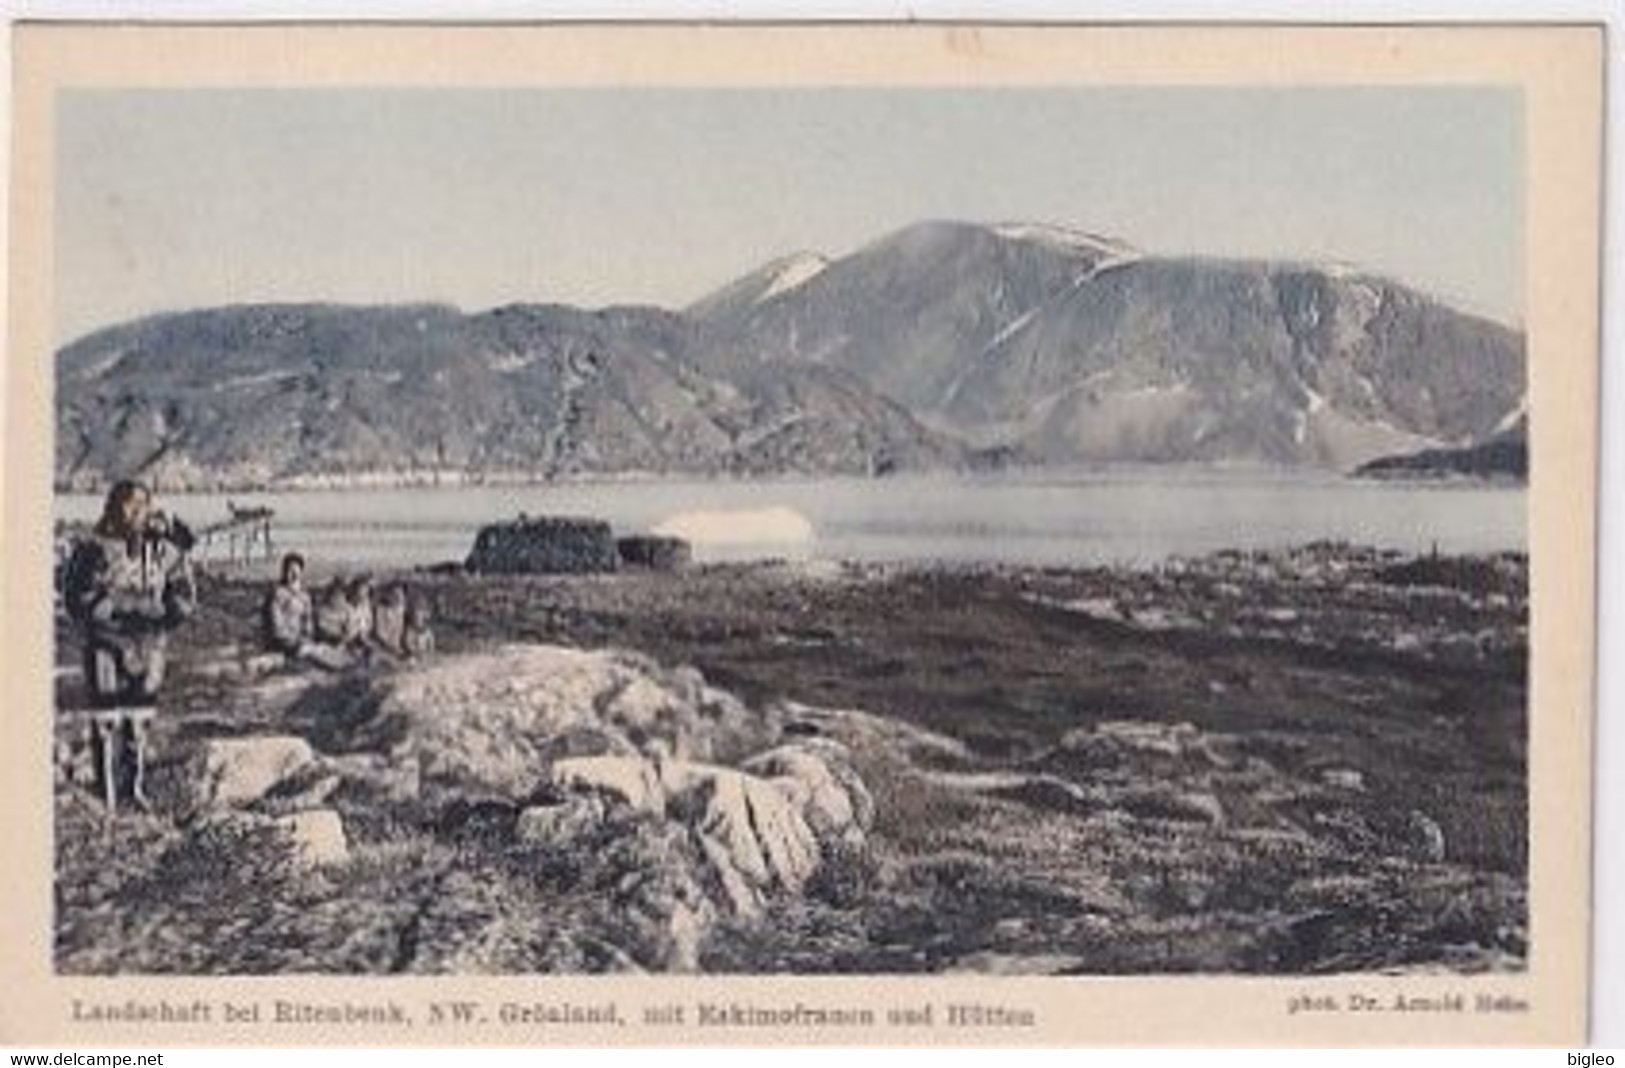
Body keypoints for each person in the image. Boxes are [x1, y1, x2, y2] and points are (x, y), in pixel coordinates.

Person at [61, 480, 197, 809]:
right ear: (113, 508)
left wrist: (162, 615)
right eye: (129, 504)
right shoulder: (93, 549)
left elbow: (184, 596)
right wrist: (121, 607)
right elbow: (76, 597)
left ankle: (132, 790)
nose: (137, 511)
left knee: (138, 720)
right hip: (106, 643)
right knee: (106, 718)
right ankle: (105, 794)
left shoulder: (165, 551)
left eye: (143, 504)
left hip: (149, 645)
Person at [261, 552, 312, 658]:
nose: (293, 575)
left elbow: (308, 622)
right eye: (290, 571)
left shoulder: (305, 596)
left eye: (296, 572)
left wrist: (305, 638)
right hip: (280, 643)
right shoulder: (277, 594)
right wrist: (291, 641)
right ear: (284, 572)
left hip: (300, 641)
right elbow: (276, 624)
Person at [370, 583, 408, 660]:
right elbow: (380, 633)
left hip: (396, 646)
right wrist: (390, 647)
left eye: (401, 595)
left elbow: (399, 630)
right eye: (395, 594)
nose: (398, 597)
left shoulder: (401, 610)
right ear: (389, 596)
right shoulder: (382, 610)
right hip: (383, 646)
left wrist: (398, 647)